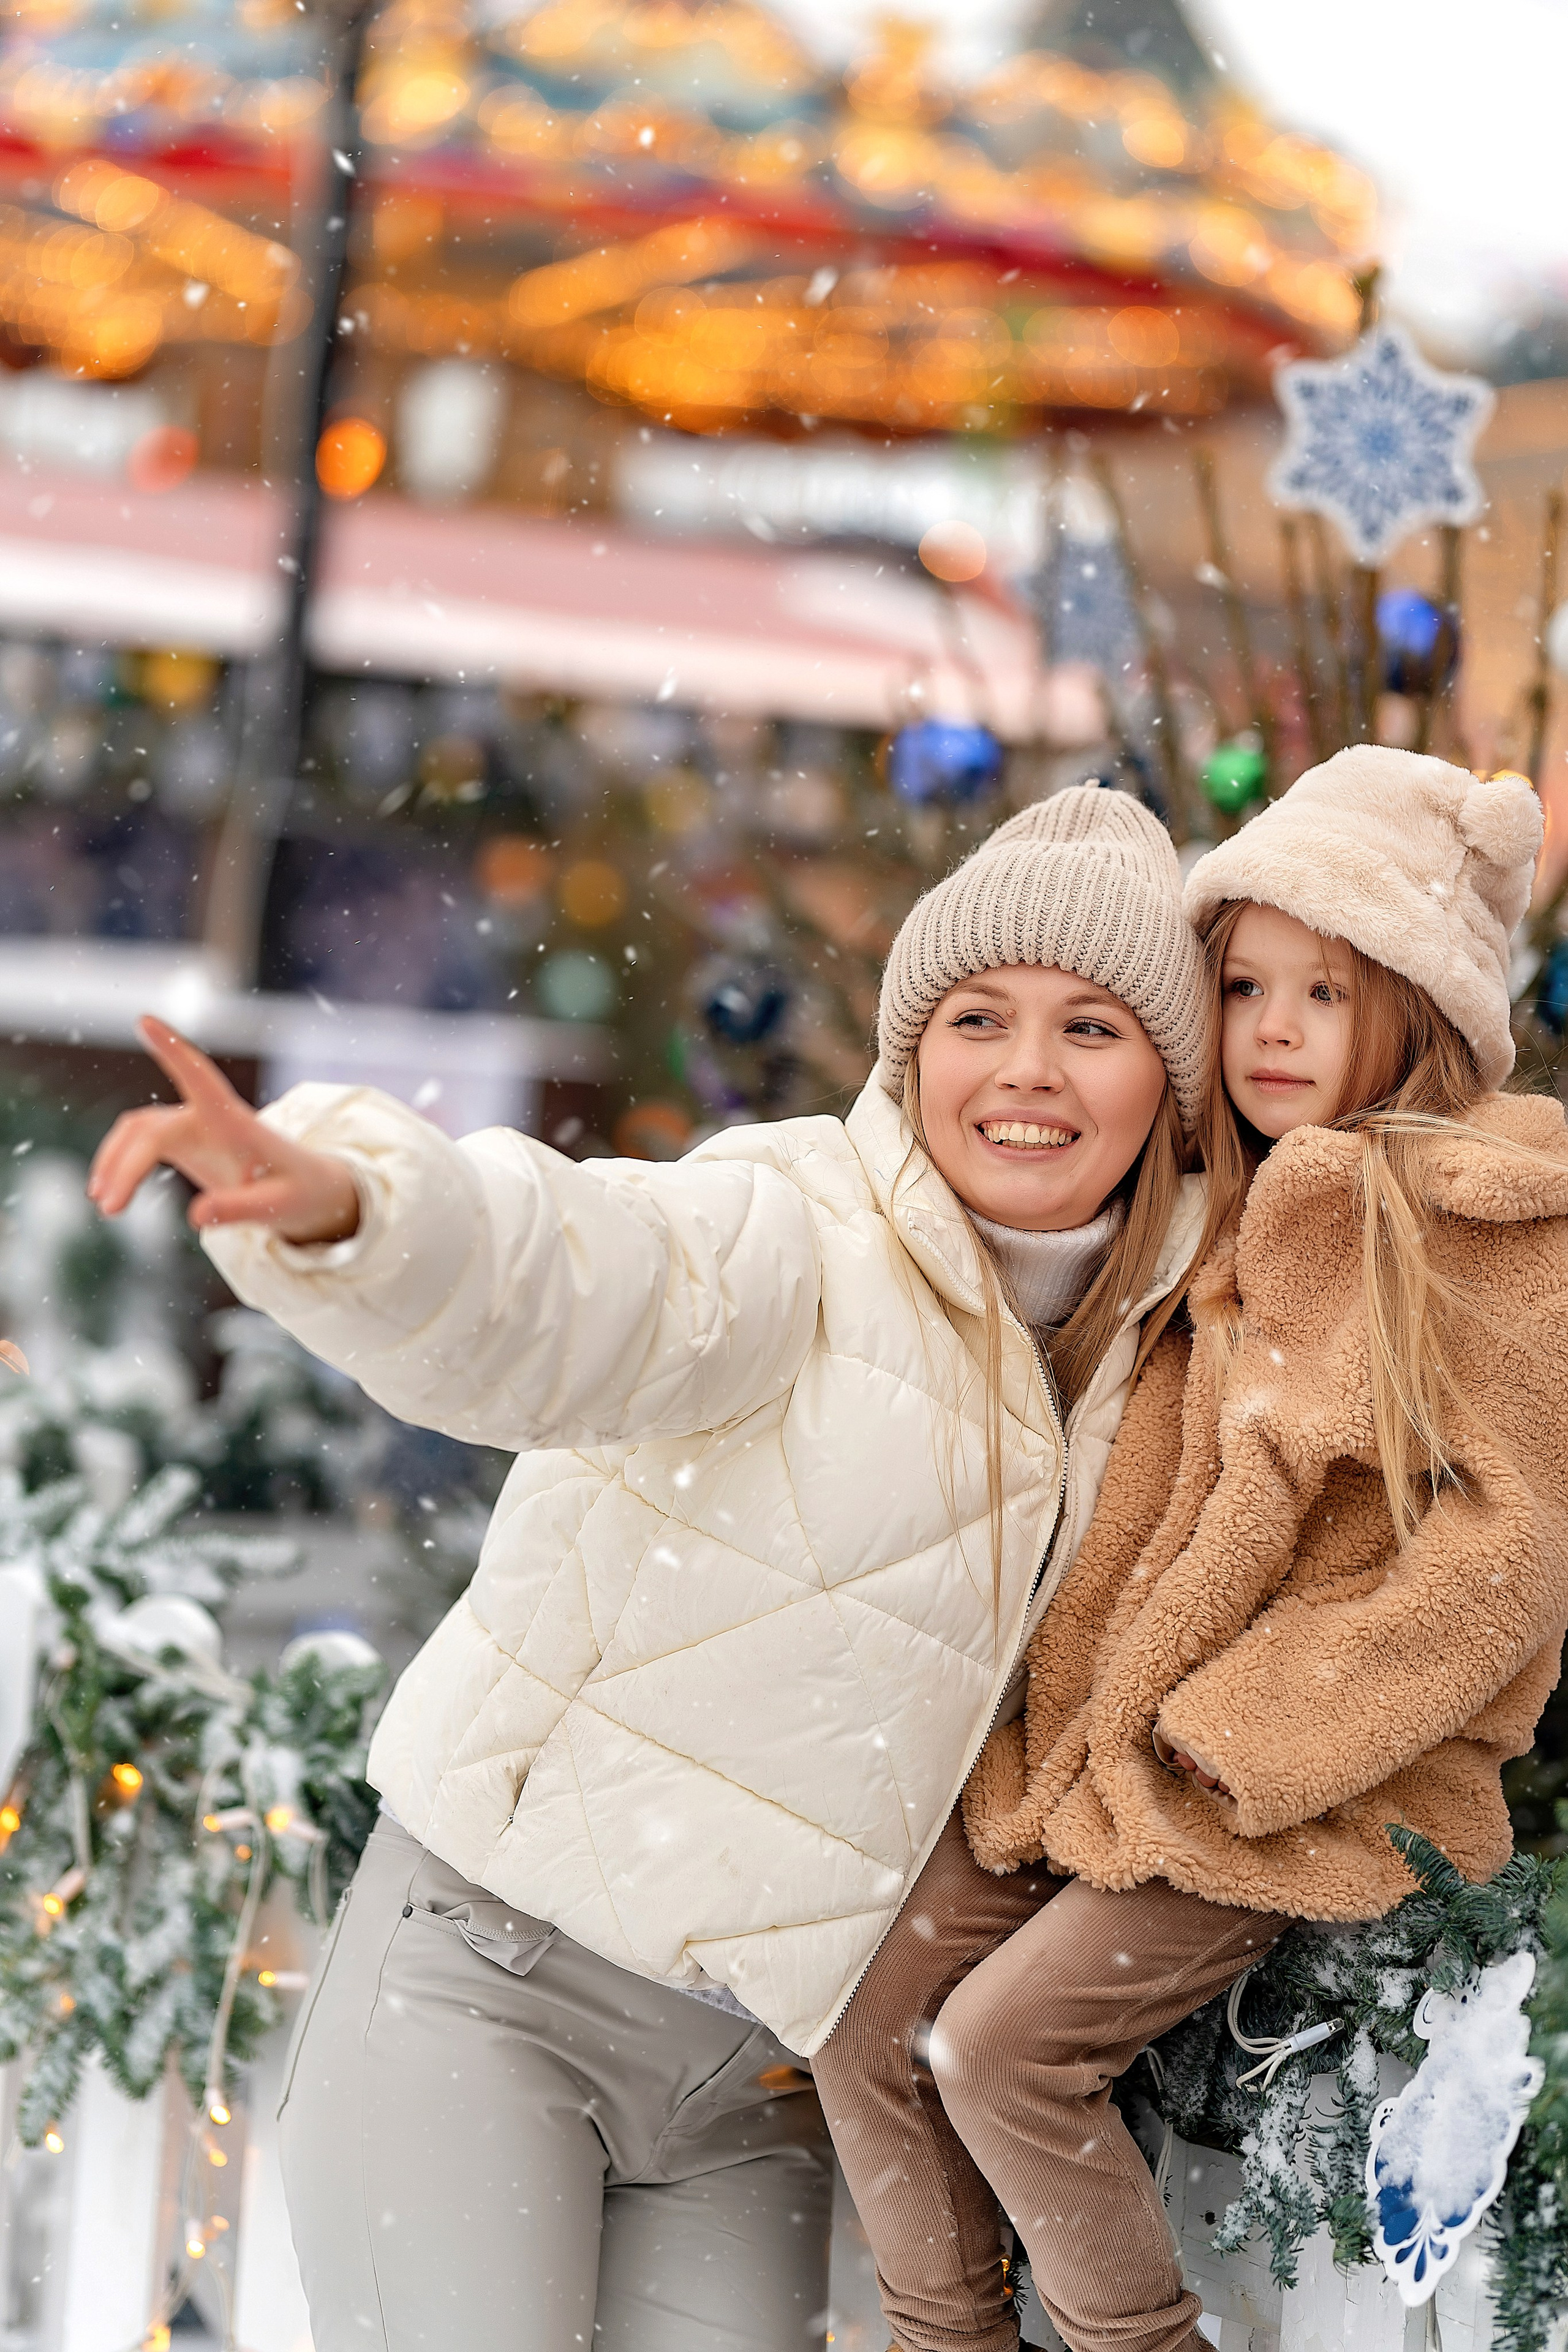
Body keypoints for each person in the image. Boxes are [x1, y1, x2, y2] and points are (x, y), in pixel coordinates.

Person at [87, 785, 1208, 2352]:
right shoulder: (794, 1229)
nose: (1026, 1070)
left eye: (1092, 1027)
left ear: (1168, 1078)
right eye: (977, 1015)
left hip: (756, 2093)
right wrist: (359, 1212)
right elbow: (572, 1273)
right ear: (910, 1051)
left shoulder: (1183, 1362)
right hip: (491, 1998)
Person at [813, 747, 1568, 2352]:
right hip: (1101, 1753)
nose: (1273, 1030)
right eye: (1244, 987)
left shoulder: (1487, 1227)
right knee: (860, 2010)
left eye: (1324, 991)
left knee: (1002, 2050)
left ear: (1420, 1016)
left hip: (1306, 1786)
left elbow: (1501, 1563)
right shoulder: (1224, 1209)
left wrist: (1251, 1742)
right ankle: (939, 2331)